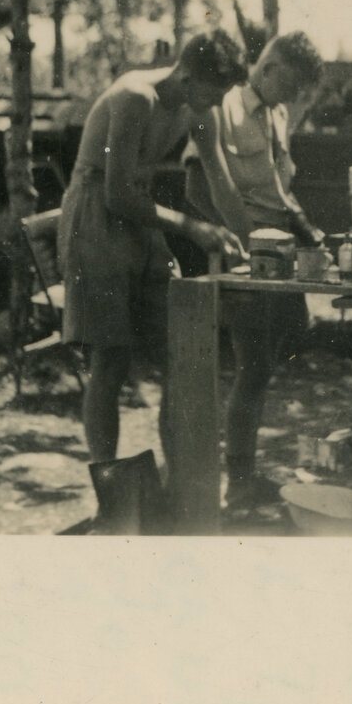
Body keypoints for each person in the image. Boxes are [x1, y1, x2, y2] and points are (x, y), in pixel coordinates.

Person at [58, 31, 247, 478]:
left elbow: (222, 184)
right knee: (110, 360)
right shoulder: (134, 99)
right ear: (186, 75)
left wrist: (249, 241)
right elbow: (117, 195)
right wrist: (193, 227)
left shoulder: (201, 113)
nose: (218, 102)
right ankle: (109, 488)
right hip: (95, 217)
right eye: (215, 91)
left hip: (138, 217)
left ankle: (180, 480)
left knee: (177, 354)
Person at [184, 31, 326, 511]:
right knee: (252, 366)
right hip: (245, 255)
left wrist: (309, 231)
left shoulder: (279, 115)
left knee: (268, 364)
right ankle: (238, 479)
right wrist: (236, 243)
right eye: (292, 83)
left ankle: (244, 471)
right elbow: (197, 189)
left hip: (281, 255)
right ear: (269, 68)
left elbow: (280, 192)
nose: (294, 95)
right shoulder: (222, 110)